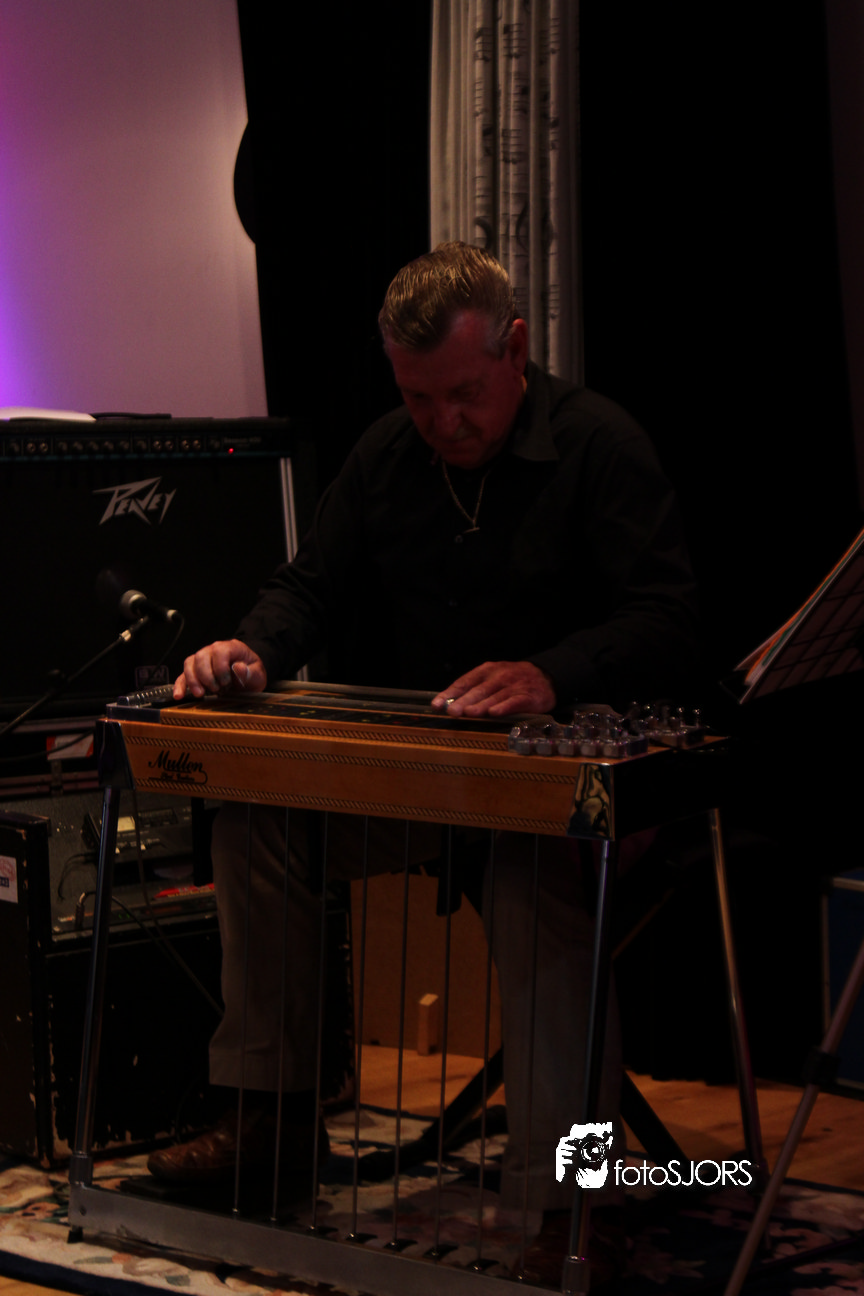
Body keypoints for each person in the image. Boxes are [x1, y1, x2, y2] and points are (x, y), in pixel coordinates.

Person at [148, 243, 698, 1250]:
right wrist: (252, 649)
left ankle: (566, 1197)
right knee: (256, 826)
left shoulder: (600, 446)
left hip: (575, 798)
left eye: (464, 394)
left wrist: (553, 672)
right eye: (418, 398)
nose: (443, 423)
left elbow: (669, 618)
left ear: (515, 349)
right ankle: (272, 1122)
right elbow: (308, 588)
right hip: (433, 787)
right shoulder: (385, 456)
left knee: (535, 873)